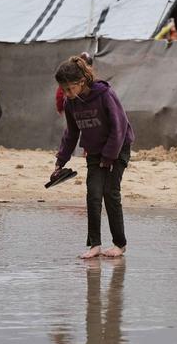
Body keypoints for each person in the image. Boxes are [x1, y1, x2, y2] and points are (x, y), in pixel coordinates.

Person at [53, 55, 134, 259]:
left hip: (118, 148)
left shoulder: (104, 94)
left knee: (110, 192)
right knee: (93, 195)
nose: (68, 94)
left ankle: (119, 244)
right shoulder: (71, 103)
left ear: (81, 82)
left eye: (70, 89)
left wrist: (109, 157)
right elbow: (71, 134)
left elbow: (119, 126)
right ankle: (95, 245)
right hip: (94, 151)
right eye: (64, 90)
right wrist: (60, 161)